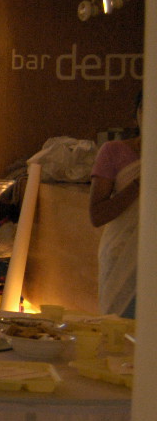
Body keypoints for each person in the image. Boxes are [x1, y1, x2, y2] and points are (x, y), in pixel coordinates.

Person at [89, 91, 141, 318]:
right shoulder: (114, 151)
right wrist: (140, 183)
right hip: (121, 252)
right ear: (136, 115)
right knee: (118, 326)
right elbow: (97, 215)